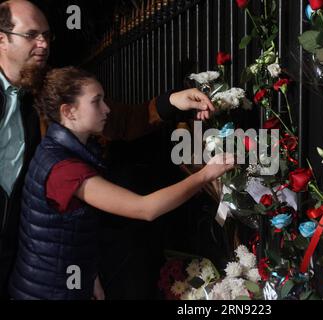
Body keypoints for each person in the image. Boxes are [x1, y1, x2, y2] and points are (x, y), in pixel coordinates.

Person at [0, 0, 215, 298]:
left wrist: (172, 102)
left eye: (48, 35)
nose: (44, 44)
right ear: (2, 38)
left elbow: (120, 120)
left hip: (27, 243)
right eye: (32, 35)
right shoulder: (64, 164)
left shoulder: (50, 88)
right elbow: (145, 209)